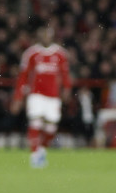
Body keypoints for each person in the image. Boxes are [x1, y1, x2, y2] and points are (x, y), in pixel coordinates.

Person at [11, 25, 72, 167]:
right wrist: (18, 97)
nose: (45, 37)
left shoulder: (60, 54)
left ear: (52, 36)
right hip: (36, 95)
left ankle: (41, 150)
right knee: (35, 122)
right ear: (39, 36)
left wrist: (67, 89)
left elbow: (65, 75)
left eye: (48, 35)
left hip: (53, 96)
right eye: (43, 35)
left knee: (51, 128)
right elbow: (23, 76)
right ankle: (34, 155)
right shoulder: (31, 53)